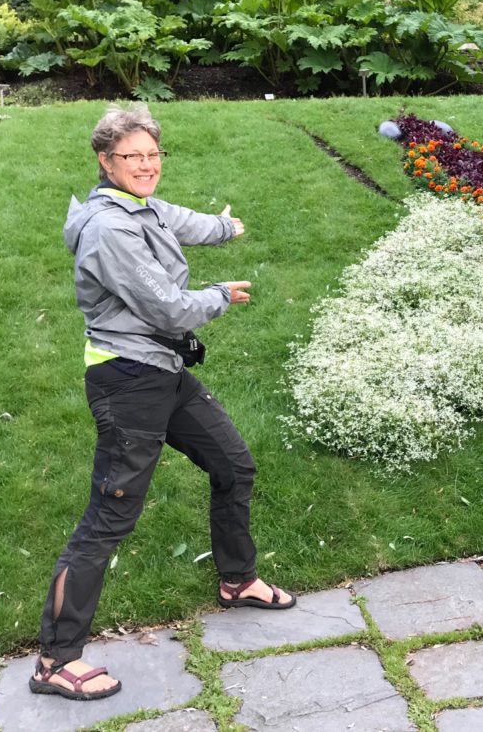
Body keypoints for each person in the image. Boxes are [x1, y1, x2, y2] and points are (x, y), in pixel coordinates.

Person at [30, 104, 295, 701]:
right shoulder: (110, 230)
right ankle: (54, 660)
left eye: (153, 155)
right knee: (110, 516)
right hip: (127, 381)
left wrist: (225, 228)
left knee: (233, 465)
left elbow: (181, 219)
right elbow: (168, 308)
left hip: (164, 370)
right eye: (133, 157)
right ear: (105, 161)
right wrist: (222, 294)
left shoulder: (138, 206)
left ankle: (237, 580)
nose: (146, 165)